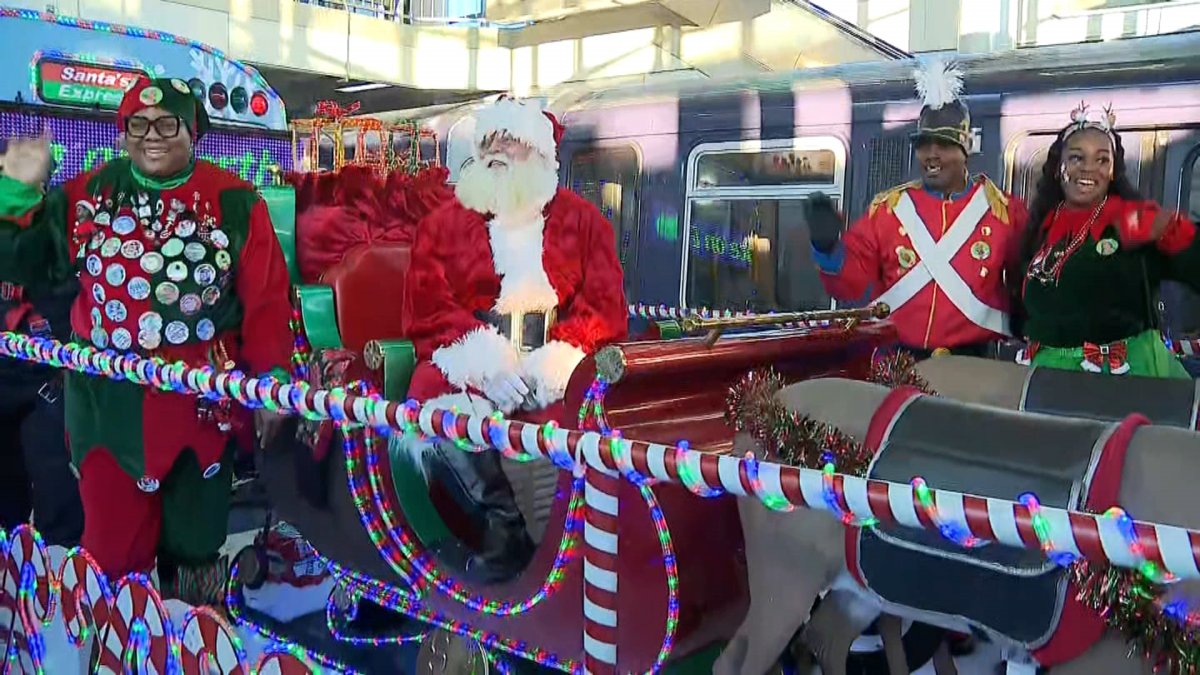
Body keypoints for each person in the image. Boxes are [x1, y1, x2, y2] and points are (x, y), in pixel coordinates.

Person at [0, 77, 293, 606]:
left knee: (195, 547)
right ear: (123, 132)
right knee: (112, 549)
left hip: (200, 412)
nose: (151, 136)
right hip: (108, 413)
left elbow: (267, 300)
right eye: (137, 124)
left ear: (193, 130)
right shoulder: (91, 192)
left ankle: (191, 644)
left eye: (166, 123)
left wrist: (271, 376)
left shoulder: (235, 201)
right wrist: (17, 191)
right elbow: (28, 261)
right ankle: (115, 646)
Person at [404, 97, 627, 583]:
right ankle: (502, 523)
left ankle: (569, 541)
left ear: (542, 157)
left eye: (511, 143)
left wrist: (553, 362)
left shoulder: (585, 222)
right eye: (488, 144)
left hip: (553, 361)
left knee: (573, 424)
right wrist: (486, 363)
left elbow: (604, 307)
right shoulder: (442, 225)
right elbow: (429, 305)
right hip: (470, 356)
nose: (496, 152)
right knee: (435, 407)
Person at [805, 58, 1027, 358]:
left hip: (974, 368)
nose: (931, 154)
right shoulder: (888, 211)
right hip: (899, 363)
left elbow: (1024, 285)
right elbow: (850, 286)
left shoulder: (1004, 213)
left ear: (965, 150)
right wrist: (828, 249)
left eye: (943, 144)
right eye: (923, 144)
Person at [1016, 103, 1198, 377]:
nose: (1089, 169)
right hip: (1048, 377)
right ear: (1057, 167)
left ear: (1113, 171)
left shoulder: (1133, 221)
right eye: (1077, 158)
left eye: (1102, 160)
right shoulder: (1045, 227)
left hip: (1117, 381)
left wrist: (1173, 234)